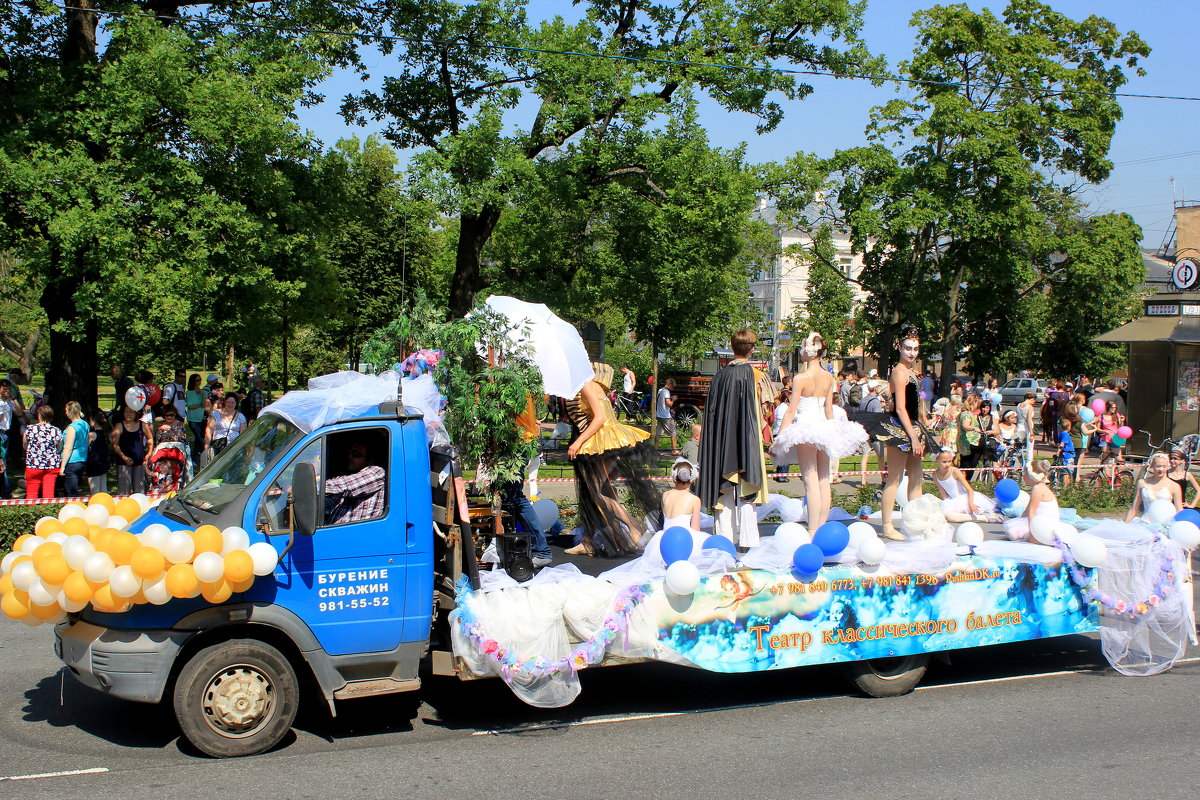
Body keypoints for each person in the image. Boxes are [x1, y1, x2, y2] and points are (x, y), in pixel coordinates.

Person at [771, 332, 868, 530]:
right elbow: (829, 409)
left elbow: (791, 411)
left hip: (806, 428)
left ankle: (813, 529)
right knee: (824, 478)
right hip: (824, 427)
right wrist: (835, 431)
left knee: (810, 478)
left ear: (808, 351)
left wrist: (779, 438)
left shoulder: (801, 378)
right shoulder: (828, 377)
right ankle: (821, 525)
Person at [564, 362, 659, 556]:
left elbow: (599, 418)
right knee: (597, 492)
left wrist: (577, 442)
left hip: (605, 440)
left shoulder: (587, 385)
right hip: (602, 440)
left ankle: (633, 524)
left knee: (595, 492)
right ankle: (591, 540)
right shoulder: (585, 386)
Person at [698, 329, 777, 550]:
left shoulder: (719, 376)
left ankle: (724, 540)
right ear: (752, 349)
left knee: (724, 486)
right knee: (748, 484)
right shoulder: (758, 376)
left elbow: (712, 414)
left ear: (731, 347)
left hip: (722, 440)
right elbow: (767, 412)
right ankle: (749, 540)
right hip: (748, 438)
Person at [856, 324, 935, 541]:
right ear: (899, 348)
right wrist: (912, 437)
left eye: (915, 348)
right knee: (895, 478)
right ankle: (888, 525)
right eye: (908, 348)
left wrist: (922, 424)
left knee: (917, 477)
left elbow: (914, 405)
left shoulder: (911, 372)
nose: (912, 352)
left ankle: (915, 524)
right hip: (900, 428)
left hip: (913, 427)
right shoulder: (900, 373)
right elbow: (900, 408)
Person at [930, 448, 1001, 523]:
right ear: (936, 460)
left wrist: (970, 503)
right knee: (943, 515)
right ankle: (980, 517)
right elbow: (943, 493)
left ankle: (986, 518)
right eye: (944, 462)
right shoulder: (935, 475)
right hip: (952, 500)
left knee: (951, 517)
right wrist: (945, 504)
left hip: (966, 498)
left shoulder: (955, 471)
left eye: (949, 461)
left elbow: (969, 490)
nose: (947, 464)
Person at [325, 440, 386, 524]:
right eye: (350, 452)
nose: (350, 456)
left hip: (357, 534)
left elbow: (344, 485)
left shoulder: (377, 473)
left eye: (356, 454)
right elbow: (330, 503)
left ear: (370, 460)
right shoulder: (351, 477)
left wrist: (311, 487)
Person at [1004, 461, 1059, 541]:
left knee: (1012, 532)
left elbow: (1032, 512)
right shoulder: (1039, 487)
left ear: (1031, 475)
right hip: (1040, 520)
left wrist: (1032, 532)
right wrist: (1019, 520)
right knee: (1012, 527)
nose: (1023, 476)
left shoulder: (1037, 489)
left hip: (1045, 524)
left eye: (1025, 474)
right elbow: (1027, 510)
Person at [1126, 453, 1183, 523]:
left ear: (1168, 466)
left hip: (1165, 524)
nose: (1161, 469)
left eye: (1164, 466)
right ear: (1152, 465)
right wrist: (1125, 526)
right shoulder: (1142, 483)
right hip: (1145, 522)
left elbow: (1179, 511)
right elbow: (1134, 509)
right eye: (1158, 466)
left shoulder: (1174, 486)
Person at [23, 405, 63, 499]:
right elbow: (59, 448)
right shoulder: (56, 431)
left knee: (31, 495)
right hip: (51, 465)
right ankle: (48, 511)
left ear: (39, 415)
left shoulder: (30, 429)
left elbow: (25, 445)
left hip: (33, 464)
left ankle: (31, 512)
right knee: (48, 494)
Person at [111, 405, 151, 494]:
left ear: (136, 413)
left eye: (131, 412)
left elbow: (150, 438)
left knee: (140, 491)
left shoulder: (142, 424)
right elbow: (115, 444)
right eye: (126, 412)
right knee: (124, 492)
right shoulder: (119, 426)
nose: (128, 414)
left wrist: (149, 453)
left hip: (139, 462)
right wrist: (124, 457)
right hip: (123, 463)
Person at [59, 401, 91, 496]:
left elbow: (68, 448)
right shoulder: (85, 424)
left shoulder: (72, 427)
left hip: (72, 461)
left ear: (70, 412)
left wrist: (62, 466)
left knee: (71, 491)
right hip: (82, 459)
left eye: (66, 411)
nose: (65, 413)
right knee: (75, 487)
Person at [661, 458, 702, 531]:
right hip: (683, 538)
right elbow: (695, 529)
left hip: (665, 536)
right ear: (693, 480)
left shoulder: (665, 495)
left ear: (674, 479)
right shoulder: (694, 500)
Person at [206, 393, 246, 458]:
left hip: (233, 447)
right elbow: (208, 431)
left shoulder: (241, 416)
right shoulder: (215, 413)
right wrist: (206, 447)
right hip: (218, 446)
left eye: (233, 402)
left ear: (236, 403)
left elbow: (243, 435)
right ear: (225, 402)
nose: (230, 404)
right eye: (228, 402)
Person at [956, 395, 984, 479]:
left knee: (968, 465)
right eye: (978, 404)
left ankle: (965, 481)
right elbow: (965, 426)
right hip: (968, 443)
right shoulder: (966, 414)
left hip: (971, 442)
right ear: (974, 403)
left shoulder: (968, 413)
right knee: (968, 465)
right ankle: (965, 482)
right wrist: (974, 428)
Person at [184, 373, 207, 466]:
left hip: (201, 417)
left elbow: (204, 404)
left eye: (200, 380)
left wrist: (203, 396)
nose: (199, 382)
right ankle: (206, 451)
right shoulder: (189, 392)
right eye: (197, 380)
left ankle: (196, 457)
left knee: (198, 439)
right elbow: (190, 406)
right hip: (193, 418)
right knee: (199, 438)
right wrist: (200, 405)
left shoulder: (203, 392)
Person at [85, 411, 110, 495]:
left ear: (93, 421)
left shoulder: (92, 435)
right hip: (103, 463)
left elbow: (86, 448)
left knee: (95, 491)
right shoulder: (105, 434)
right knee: (103, 490)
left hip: (94, 464)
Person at [772, 389, 794, 482]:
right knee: (785, 455)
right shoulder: (785, 408)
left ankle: (779, 474)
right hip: (783, 432)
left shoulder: (780, 407)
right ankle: (782, 475)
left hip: (779, 431)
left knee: (781, 454)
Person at [656, 378, 678, 453]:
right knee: (673, 433)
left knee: (658, 433)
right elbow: (669, 404)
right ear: (670, 384)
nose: (672, 388)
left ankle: (655, 449)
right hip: (665, 416)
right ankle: (674, 450)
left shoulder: (660, 390)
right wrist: (673, 400)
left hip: (659, 414)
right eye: (673, 386)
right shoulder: (666, 392)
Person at [1017, 391, 1037, 466]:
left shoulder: (1018, 405)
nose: (1034, 402)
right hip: (1027, 429)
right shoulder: (1029, 407)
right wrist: (1031, 433)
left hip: (1019, 427)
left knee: (1020, 449)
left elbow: (1017, 418)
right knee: (1029, 449)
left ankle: (1019, 464)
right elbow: (1029, 420)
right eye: (1034, 400)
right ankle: (1029, 465)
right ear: (1031, 399)